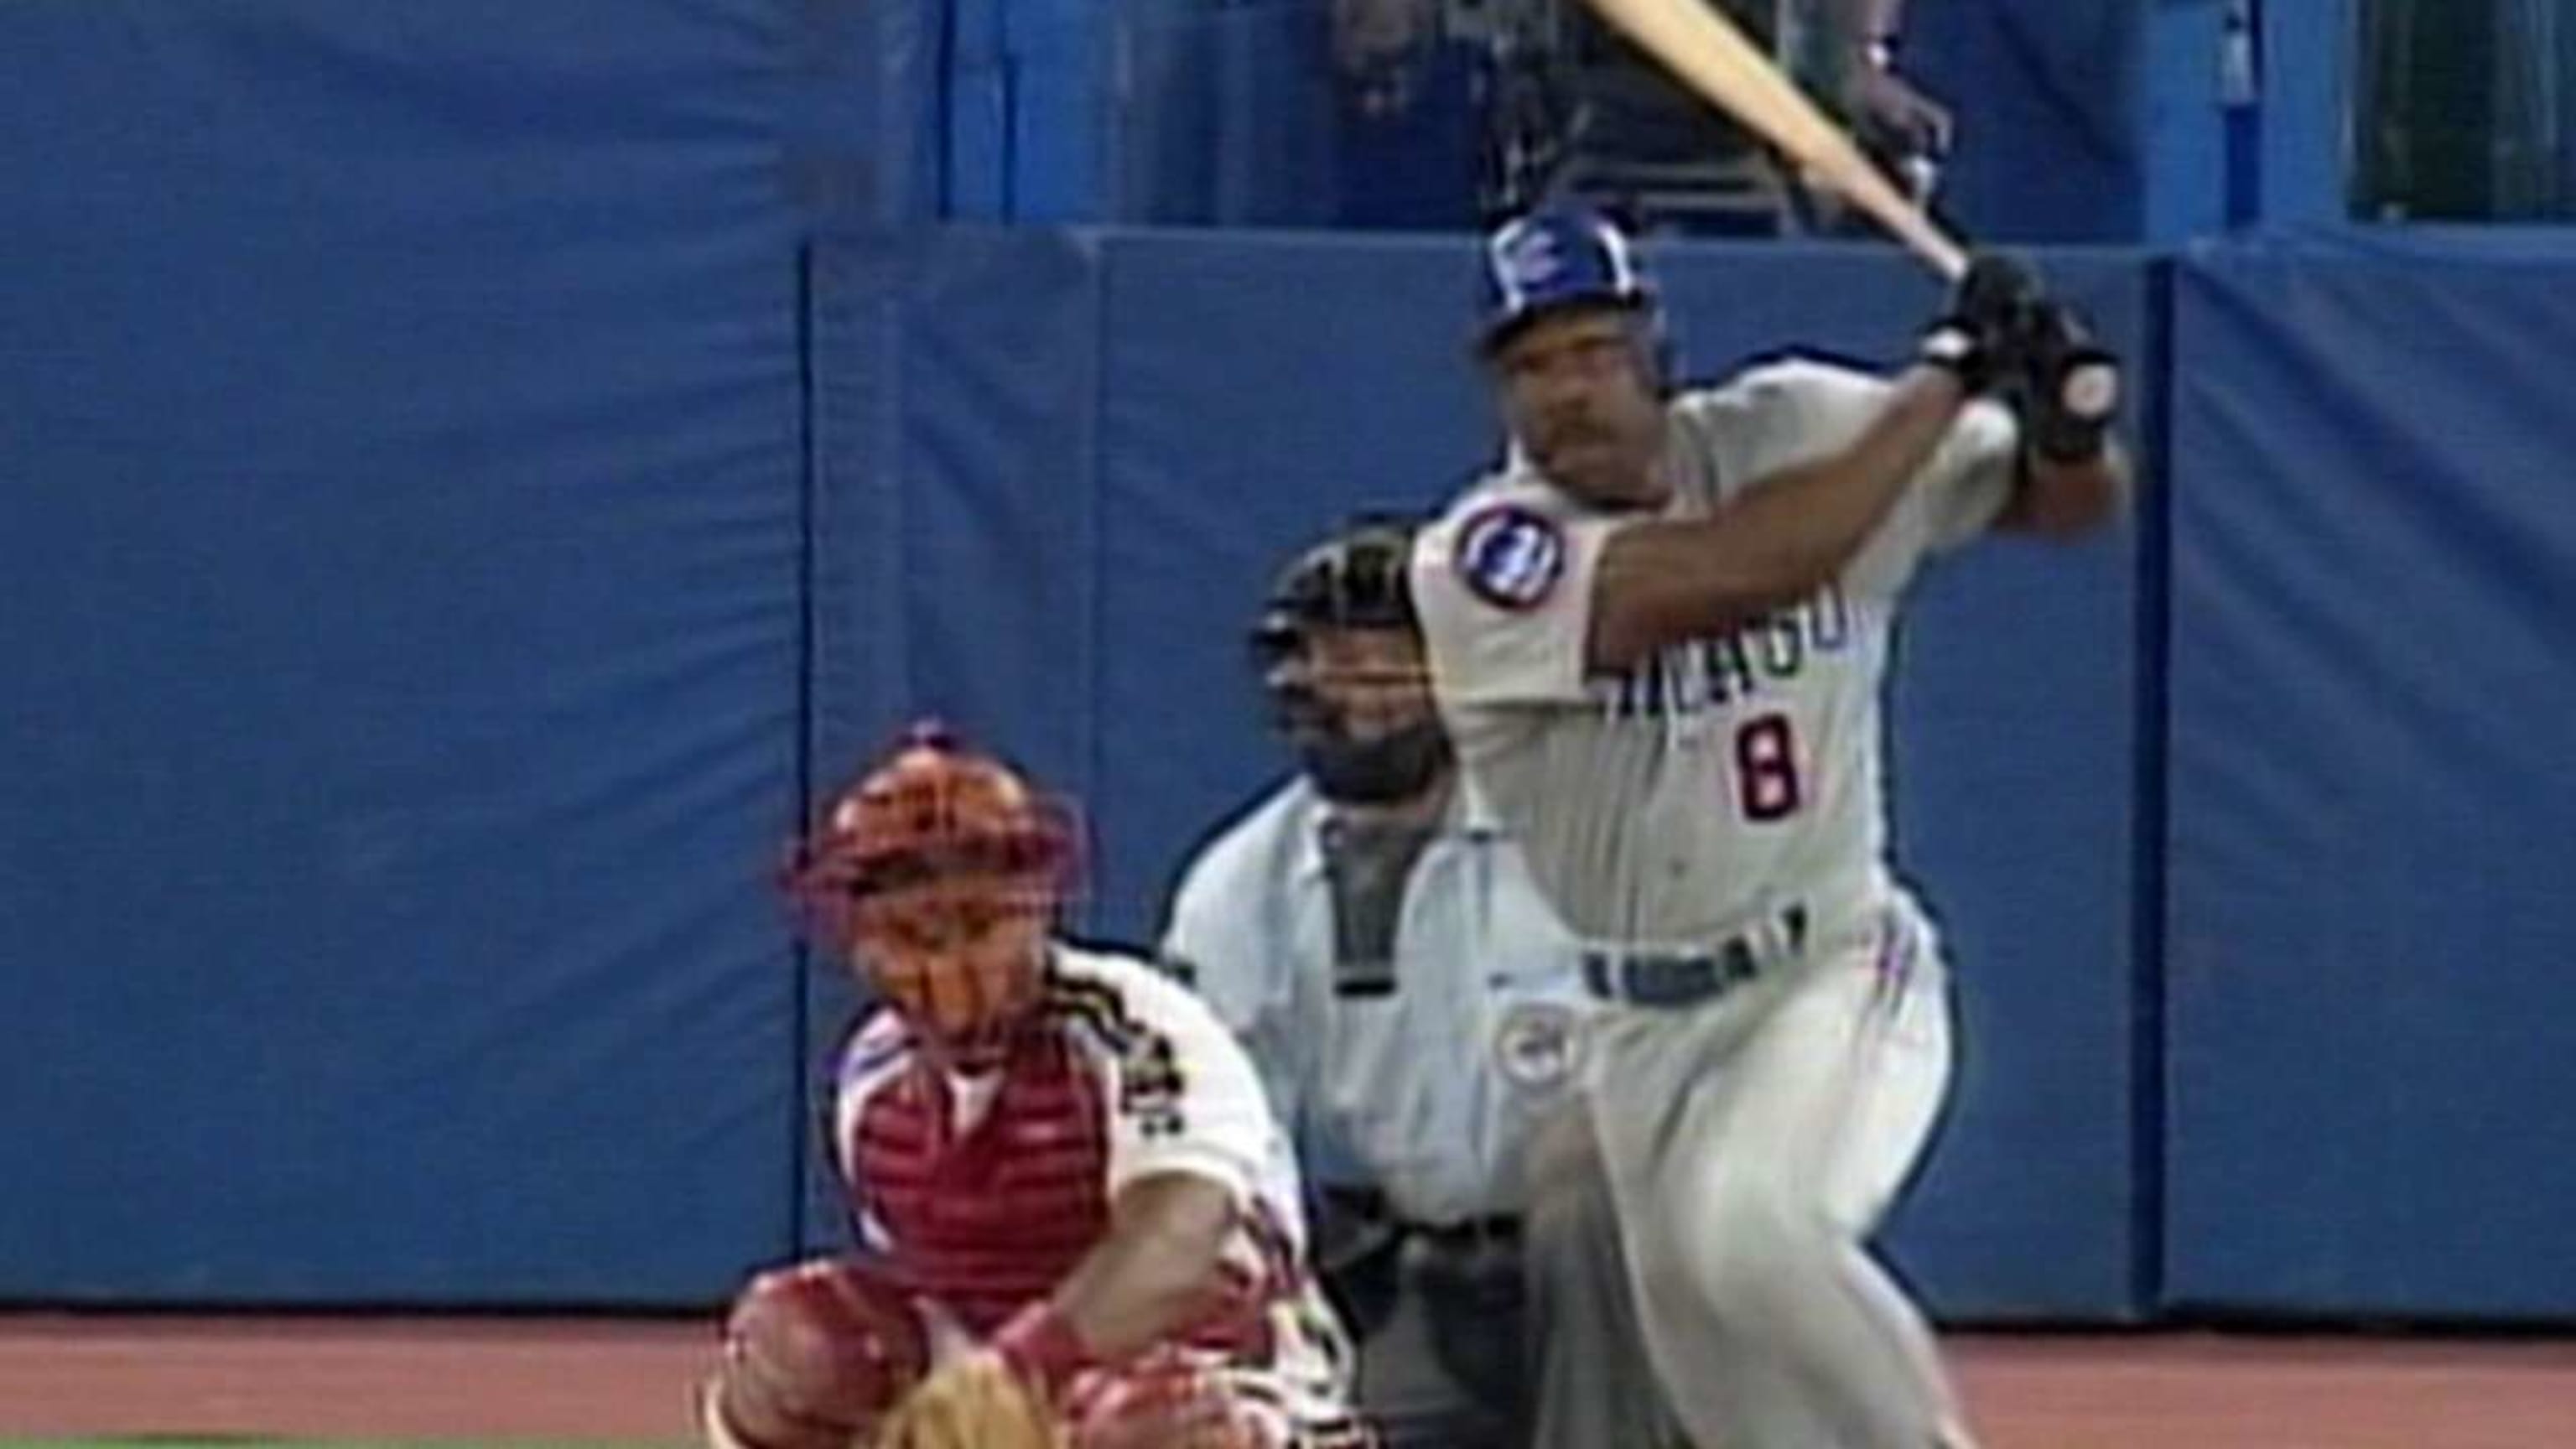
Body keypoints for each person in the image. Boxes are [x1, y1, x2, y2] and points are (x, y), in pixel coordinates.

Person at [1407, 206, 2126, 1448]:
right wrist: (1949, 372)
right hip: (1637, 1024)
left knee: (1758, 1231)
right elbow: (1746, 570)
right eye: (1531, 366)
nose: (1567, 393)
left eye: (1591, 351)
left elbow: (2067, 507)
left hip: (1830, 966)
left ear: (1653, 348)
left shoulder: (1797, 422)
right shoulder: (1484, 554)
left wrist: (2069, 409)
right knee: (1729, 1404)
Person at [702, 723, 1374, 1449]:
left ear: (1038, 909)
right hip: (1006, 1396)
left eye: (977, 922)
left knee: (1152, 1427)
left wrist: (1026, 1367)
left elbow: (1182, 1232)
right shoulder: (873, 1078)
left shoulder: (1137, 1026)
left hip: (1228, 1378)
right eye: (911, 932)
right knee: (798, 1345)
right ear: (859, 941)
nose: (950, 962)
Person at [1161, 517, 1682, 1449]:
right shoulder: (1236, 893)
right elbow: (1229, 1145)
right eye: (1337, 666)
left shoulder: (1586, 832)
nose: (1362, 698)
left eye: (1391, 664)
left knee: (1591, 1166)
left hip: (1627, 1268)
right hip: (1416, 1267)